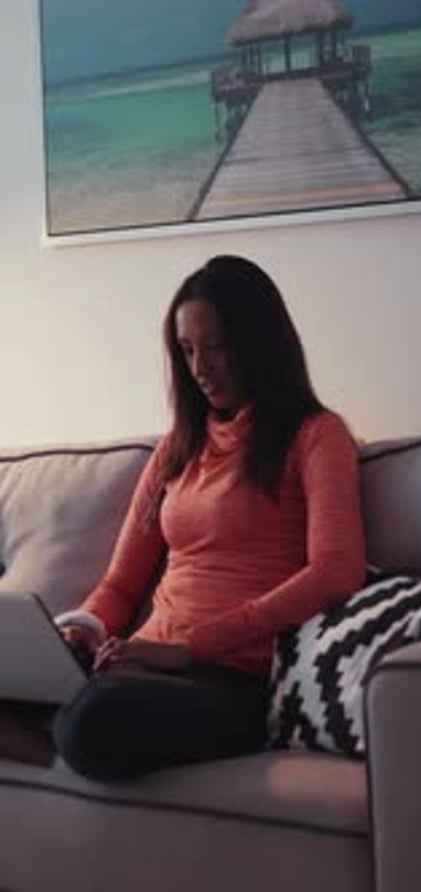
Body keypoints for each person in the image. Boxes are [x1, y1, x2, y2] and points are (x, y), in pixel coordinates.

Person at [54, 255, 366, 780]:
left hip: (232, 680)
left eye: (217, 346)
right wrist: (81, 628)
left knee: (93, 723)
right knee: (54, 689)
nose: (200, 368)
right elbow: (121, 584)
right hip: (139, 665)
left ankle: (48, 730)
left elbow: (337, 570)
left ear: (260, 342)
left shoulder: (317, 434)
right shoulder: (177, 448)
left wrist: (187, 648)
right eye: (187, 349)